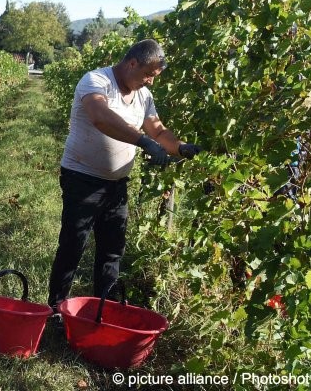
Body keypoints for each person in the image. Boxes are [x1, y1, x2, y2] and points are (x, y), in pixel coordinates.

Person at [47, 39, 202, 309]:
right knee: (73, 244)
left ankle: (103, 310)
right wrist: (143, 142)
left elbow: (158, 130)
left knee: (112, 250)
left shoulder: (143, 96)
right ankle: (56, 308)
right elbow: (100, 116)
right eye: (148, 75)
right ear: (132, 63)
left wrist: (179, 147)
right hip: (82, 178)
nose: (151, 81)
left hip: (117, 185)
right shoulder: (96, 81)